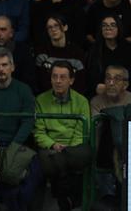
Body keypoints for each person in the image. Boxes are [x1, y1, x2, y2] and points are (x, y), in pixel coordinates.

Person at [33, 62, 92, 211]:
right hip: (51, 148)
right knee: (49, 159)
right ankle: (69, 200)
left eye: (63, 77)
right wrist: (53, 145)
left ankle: (62, 197)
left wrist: (67, 149)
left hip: (74, 149)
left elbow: (82, 132)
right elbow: (39, 132)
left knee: (84, 153)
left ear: (71, 80)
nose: (58, 81)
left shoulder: (82, 101)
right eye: (54, 77)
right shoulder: (40, 100)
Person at [34, 15, 87, 93]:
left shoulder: (77, 53)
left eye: (56, 25)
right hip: (47, 97)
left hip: (72, 97)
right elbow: (39, 81)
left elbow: (81, 82)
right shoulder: (41, 53)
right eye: (50, 27)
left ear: (65, 27)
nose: (53, 29)